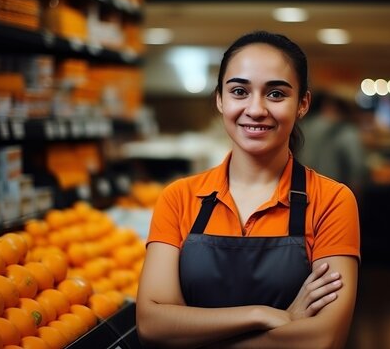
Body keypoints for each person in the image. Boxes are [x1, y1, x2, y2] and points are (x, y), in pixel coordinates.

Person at [136, 31, 360, 348]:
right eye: (240, 91)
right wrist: (263, 314)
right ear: (220, 99)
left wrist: (193, 337)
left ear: (303, 103)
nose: (255, 109)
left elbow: (324, 338)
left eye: (276, 94)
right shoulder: (179, 197)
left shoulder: (332, 201)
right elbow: (152, 323)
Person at [299, 90, 367, 196]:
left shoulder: (304, 127)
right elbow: (356, 165)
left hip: (302, 187)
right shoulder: (347, 131)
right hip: (334, 190)